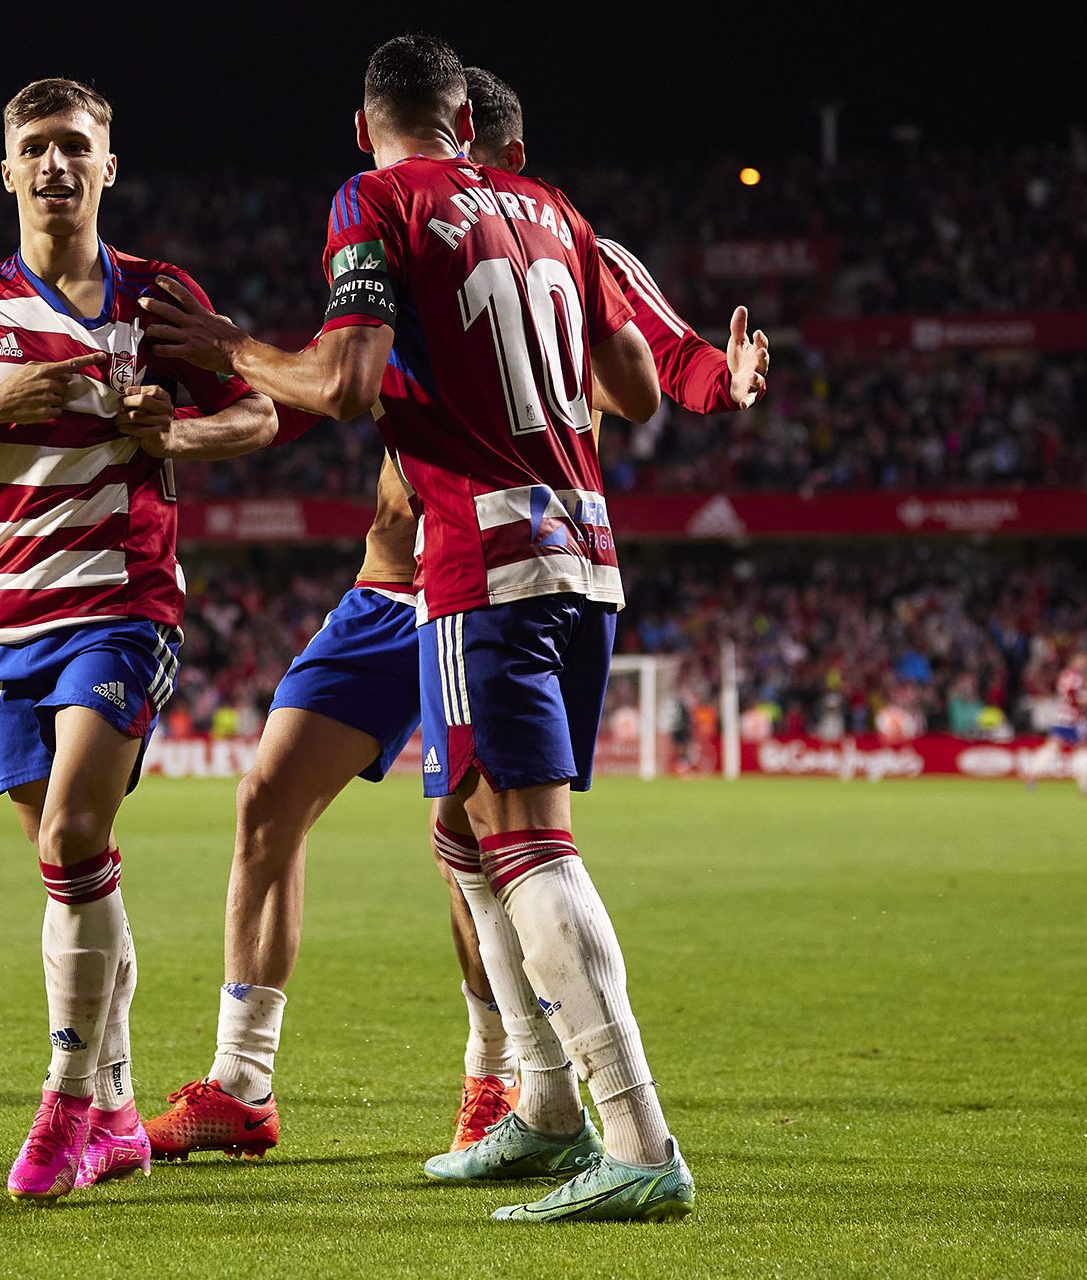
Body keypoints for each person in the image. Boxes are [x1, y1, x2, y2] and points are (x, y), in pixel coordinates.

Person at [145, 64, 766, 1170]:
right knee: (270, 795)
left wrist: (715, 377)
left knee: (479, 839)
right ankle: (243, 1081)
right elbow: (321, 393)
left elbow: (654, 370)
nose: (487, 180)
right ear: (472, 135)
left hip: (478, 567)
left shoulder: (466, 221)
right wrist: (179, 433)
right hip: (395, 591)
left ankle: (509, 1082)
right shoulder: (477, 225)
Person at [0, 78, 276, 1202]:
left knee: (66, 835)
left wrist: (185, 431)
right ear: (6, 172)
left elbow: (260, 408)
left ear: (109, 165)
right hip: (7, 617)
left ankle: (62, 1110)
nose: (55, 166)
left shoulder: (160, 298)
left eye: (75, 147)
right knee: (76, 875)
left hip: (124, 602)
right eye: (34, 150)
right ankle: (115, 1106)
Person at [1023, 653, 1087, 796]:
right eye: (1082, 660)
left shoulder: (1064, 675)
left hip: (1061, 717)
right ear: (1075, 661)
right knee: (1082, 750)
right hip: (1074, 719)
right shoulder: (1077, 678)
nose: (1084, 663)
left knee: (1051, 747)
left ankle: (1032, 773)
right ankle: (1085, 787)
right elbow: (1078, 698)